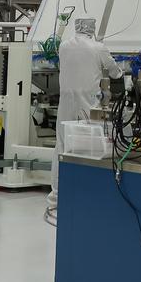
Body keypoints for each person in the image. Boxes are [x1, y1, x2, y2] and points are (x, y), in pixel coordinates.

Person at [47, 18, 122, 215]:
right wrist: (122, 72)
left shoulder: (64, 46)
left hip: (66, 104)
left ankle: (56, 198)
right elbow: (115, 72)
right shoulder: (98, 47)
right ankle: (88, 194)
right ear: (92, 28)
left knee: (61, 146)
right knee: (92, 148)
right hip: (89, 106)